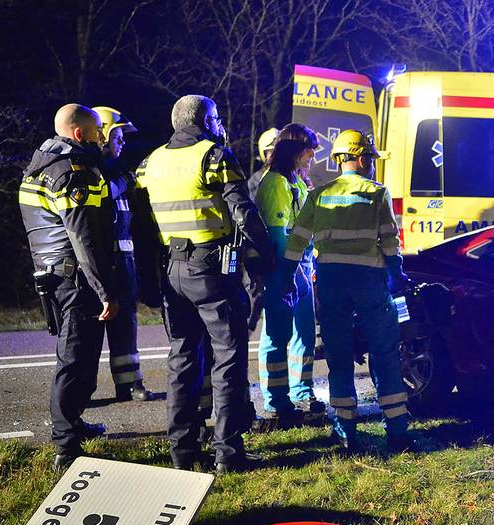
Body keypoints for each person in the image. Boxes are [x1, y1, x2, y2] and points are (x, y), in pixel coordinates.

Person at [134, 95, 272, 474]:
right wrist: (264, 257)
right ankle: (228, 452)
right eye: (217, 116)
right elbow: (243, 212)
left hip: (172, 270)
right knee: (227, 359)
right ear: (206, 119)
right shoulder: (214, 156)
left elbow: (142, 225)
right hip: (212, 269)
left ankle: (182, 450)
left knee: (181, 359)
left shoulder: (151, 163)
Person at [286, 129, 413, 453]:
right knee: (385, 355)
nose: (370, 164)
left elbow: (298, 238)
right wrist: (397, 275)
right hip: (370, 281)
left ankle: (346, 433)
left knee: (339, 356)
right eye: (369, 158)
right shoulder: (375, 193)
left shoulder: (320, 195)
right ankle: (397, 432)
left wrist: (287, 275)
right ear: (359, 158)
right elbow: (388, 240)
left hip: (331, 282)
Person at [17, 104, 119, 472]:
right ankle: (66, 445)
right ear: (79, 134)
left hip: (54, 275)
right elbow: (83, 237)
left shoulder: (39, 166)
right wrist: (104, 289)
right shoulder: (71, 173)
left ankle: (73, 424)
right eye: (96, 131)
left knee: (78, 358)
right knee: (75, 360)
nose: (101, 137)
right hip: (76, 280)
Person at [254, 123, 322, 424]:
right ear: (296, 149)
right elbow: (279, 236)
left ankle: (301, 392)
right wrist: (289, 274)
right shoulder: (275, 183)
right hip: (283, 270)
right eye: (309, 153)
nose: (312, 159)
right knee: (277, 335)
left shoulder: (296, 182)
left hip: (301, 268)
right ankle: (276, 400)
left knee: (304, 335)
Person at [92, 106, 160, 403]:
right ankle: (79, 392)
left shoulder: (118, 172)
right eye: (117, 137)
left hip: (124, 265)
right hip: (97, 267)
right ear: (101, 136)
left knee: (126, 327)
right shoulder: (90, 170)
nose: (122, 144)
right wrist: (127, 182)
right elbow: (104, 192)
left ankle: (130, 383)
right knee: (89, 335)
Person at [248, 127, 278, 198]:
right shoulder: (257, 179)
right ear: (264, 154)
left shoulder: (292, 177)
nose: (276, 155)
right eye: (271, 151)